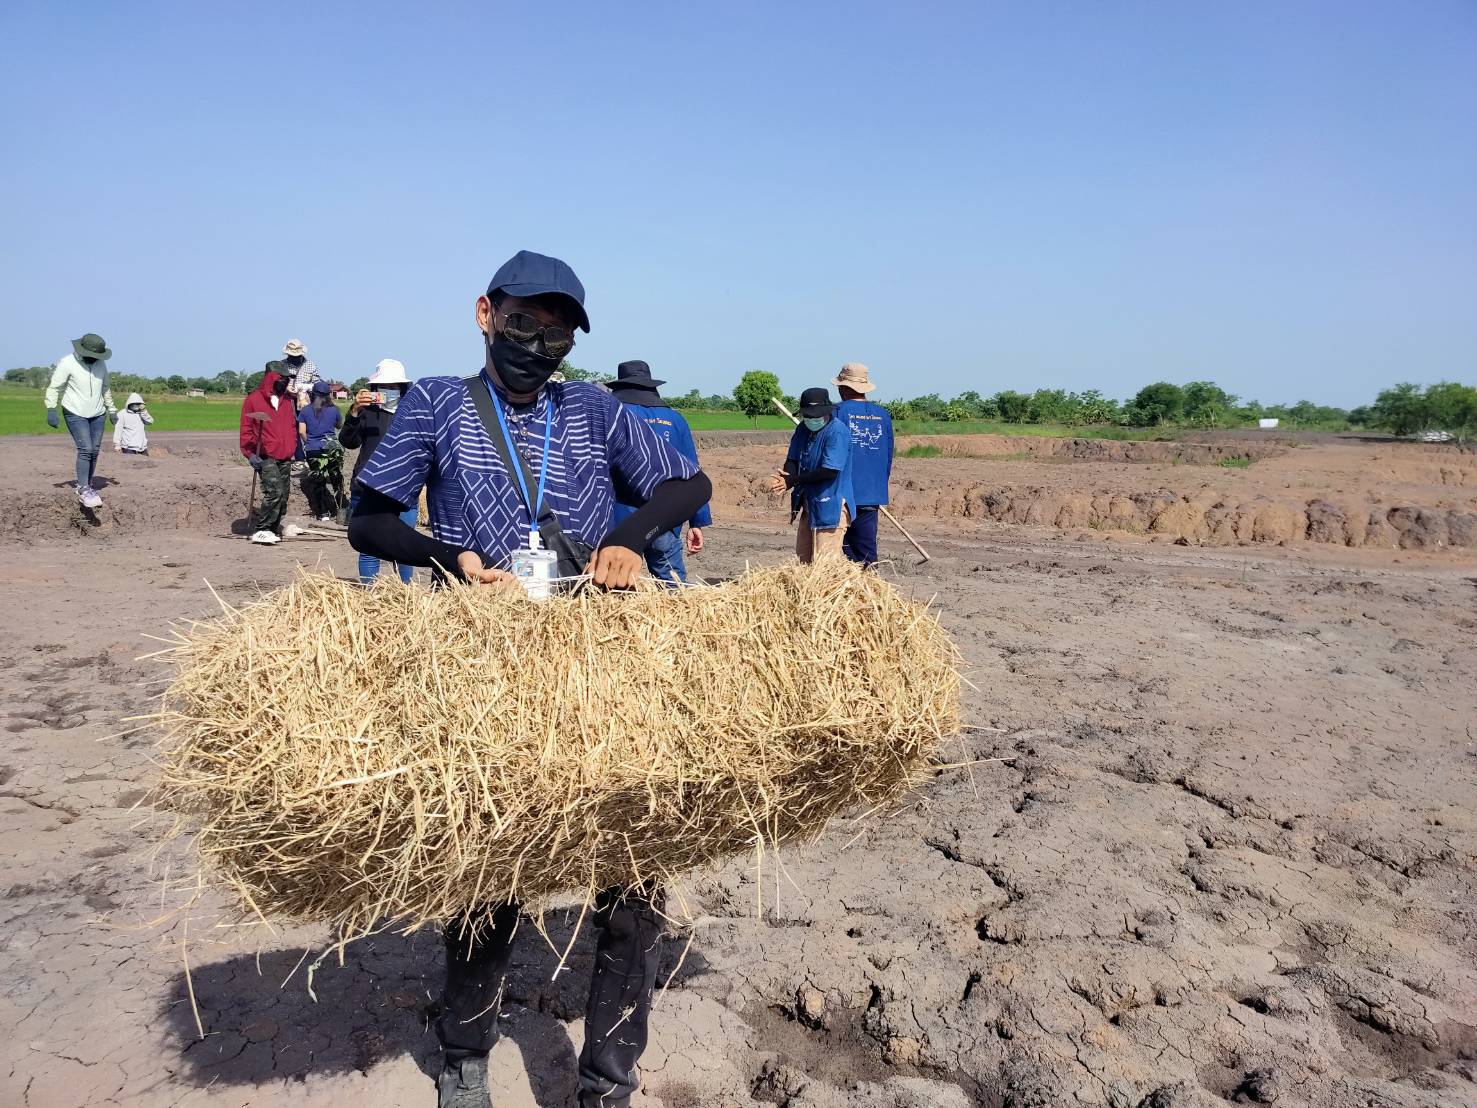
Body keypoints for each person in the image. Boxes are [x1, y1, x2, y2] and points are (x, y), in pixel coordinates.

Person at [347, 249, 711, 1108]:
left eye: (557, 332)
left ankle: (607, 1080)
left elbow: (685, 483)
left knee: (632, 875)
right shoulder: (437, 401)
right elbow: (368, 516)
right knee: (488, 873)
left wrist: (629, 537)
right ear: (485, 313)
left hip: (601, 667)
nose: (538, 343)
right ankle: (466, 1053)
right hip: (485, 669)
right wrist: (446, 555)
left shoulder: (590, 407)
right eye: (523, 323)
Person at [607, 360, 712, 583]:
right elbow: (691, 473)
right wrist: (696, 522)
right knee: (672, 587)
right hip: (664, 519)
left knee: (613, 587)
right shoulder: (675, 419)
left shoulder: (612, 414)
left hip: (619, 520)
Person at [340, 358, 417, 583]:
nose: (389, 391)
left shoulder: (412, 412)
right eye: (384, 387)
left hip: (403, 488)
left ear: (403, 388)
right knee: (369, 547)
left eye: (394, 387)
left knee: (405, 547)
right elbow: (348, 441)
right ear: (374, 388)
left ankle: (407, 594)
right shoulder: (366, 412)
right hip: (367, 487)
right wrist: (354, 412)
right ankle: (369, 598)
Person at [767, 387, 855, 563]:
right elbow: (792, 459)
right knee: (803, 559)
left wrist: (794, 480)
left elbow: (829, 471)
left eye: (815, 416)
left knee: (824, 564)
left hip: (832, 504)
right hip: (810, 503)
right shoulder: (802, 429)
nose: (811, 420)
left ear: (826, 412)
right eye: (808, 416)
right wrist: (786, 479)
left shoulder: (837, 432)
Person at [44, 333, 118, 509]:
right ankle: (83, 488)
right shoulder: (67, 363)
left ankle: (88, 484)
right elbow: (55, 387)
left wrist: (112, 410)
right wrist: (51, 408)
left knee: (95, 450)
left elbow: (105, 387)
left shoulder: (101, 364)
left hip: (98, 413)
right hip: (75, 411)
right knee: (86, 448)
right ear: (82, 351)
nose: (95, 359)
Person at [832, 362, 893, 567]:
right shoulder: (883, 415)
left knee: (839, 552)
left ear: (843, 388)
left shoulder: (835, 412)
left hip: (841, 494)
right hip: (871, 492)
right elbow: (887, 456)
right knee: (866, 553)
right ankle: (871, 591)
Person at [239, 361, 299, 545]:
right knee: (274, 492)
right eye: (281, 378)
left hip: (285, 455)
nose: (285, 382)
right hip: (265, 454)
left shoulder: (287, 401)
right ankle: (262, 529)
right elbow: (246, 430)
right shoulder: (254, 400)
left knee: (284, 496)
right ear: (271, 378)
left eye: (287, 379)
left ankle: (273, 528)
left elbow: (291, 426)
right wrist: (250, 454)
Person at [298, 380, 345, 522]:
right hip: (331, 449)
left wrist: (309, 442)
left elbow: (301, 431)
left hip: (313, 450)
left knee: (319, 481)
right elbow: (339, 425)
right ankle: (341, 510)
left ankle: (323, 513)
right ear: (328, 395)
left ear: (313, 395)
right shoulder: (334, 409)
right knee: (336, 479)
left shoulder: (305, 411)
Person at [282, 338, 318, 409]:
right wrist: (286, 388)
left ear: (301, 354)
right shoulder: (281, 365)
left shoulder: (310, 365)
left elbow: (317, 385)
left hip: (304, 403)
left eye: (295, 356)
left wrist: (303, 387)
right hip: (285, 402)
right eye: (290, 355)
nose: (293, 357)